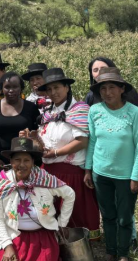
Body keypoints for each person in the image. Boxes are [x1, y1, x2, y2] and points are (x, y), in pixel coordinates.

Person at [0, 138, 75, 261]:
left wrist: (62, 223)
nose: (21, 165)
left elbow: (70, 194)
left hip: (41, 238)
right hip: (15, 236)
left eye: (26, 160)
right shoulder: (3, 182)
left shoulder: (44, 179)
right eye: (17, 160)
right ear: (10, 161)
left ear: (33, 162)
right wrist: (8, 246)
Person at [84, 67, 138, 261]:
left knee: (124, 217)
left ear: (121, 89)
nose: (107, 92)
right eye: (103, 89)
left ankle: (124, 254)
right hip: (101, 174)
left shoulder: (134, 113)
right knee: (108, 215)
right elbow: (92, 141)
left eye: (112, 87)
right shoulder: (95, 111)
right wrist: (88, 169)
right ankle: (111, 252)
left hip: (126, 175)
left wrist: (137, 175)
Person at [27, 68, 94, 235]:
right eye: (49, 89)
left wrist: (56, 153)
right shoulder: (47, 113)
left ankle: (76, 253)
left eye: (57, 87)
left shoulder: (79, 110)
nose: (53, 92)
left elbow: (82, 141)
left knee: (71, 217)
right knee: (49, 215)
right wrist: (33, 138)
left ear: (67, 87)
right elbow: (45, 143)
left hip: (70, 174)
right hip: (48, 172)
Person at [0, 72, 39, 225]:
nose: (11, 90)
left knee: (23, 193)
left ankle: (23, 224)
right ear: (2, 88)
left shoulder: (31, 108)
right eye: (7, 87)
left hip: (24, 161)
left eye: (15, 86)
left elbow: (38, 134)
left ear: (21, 88)